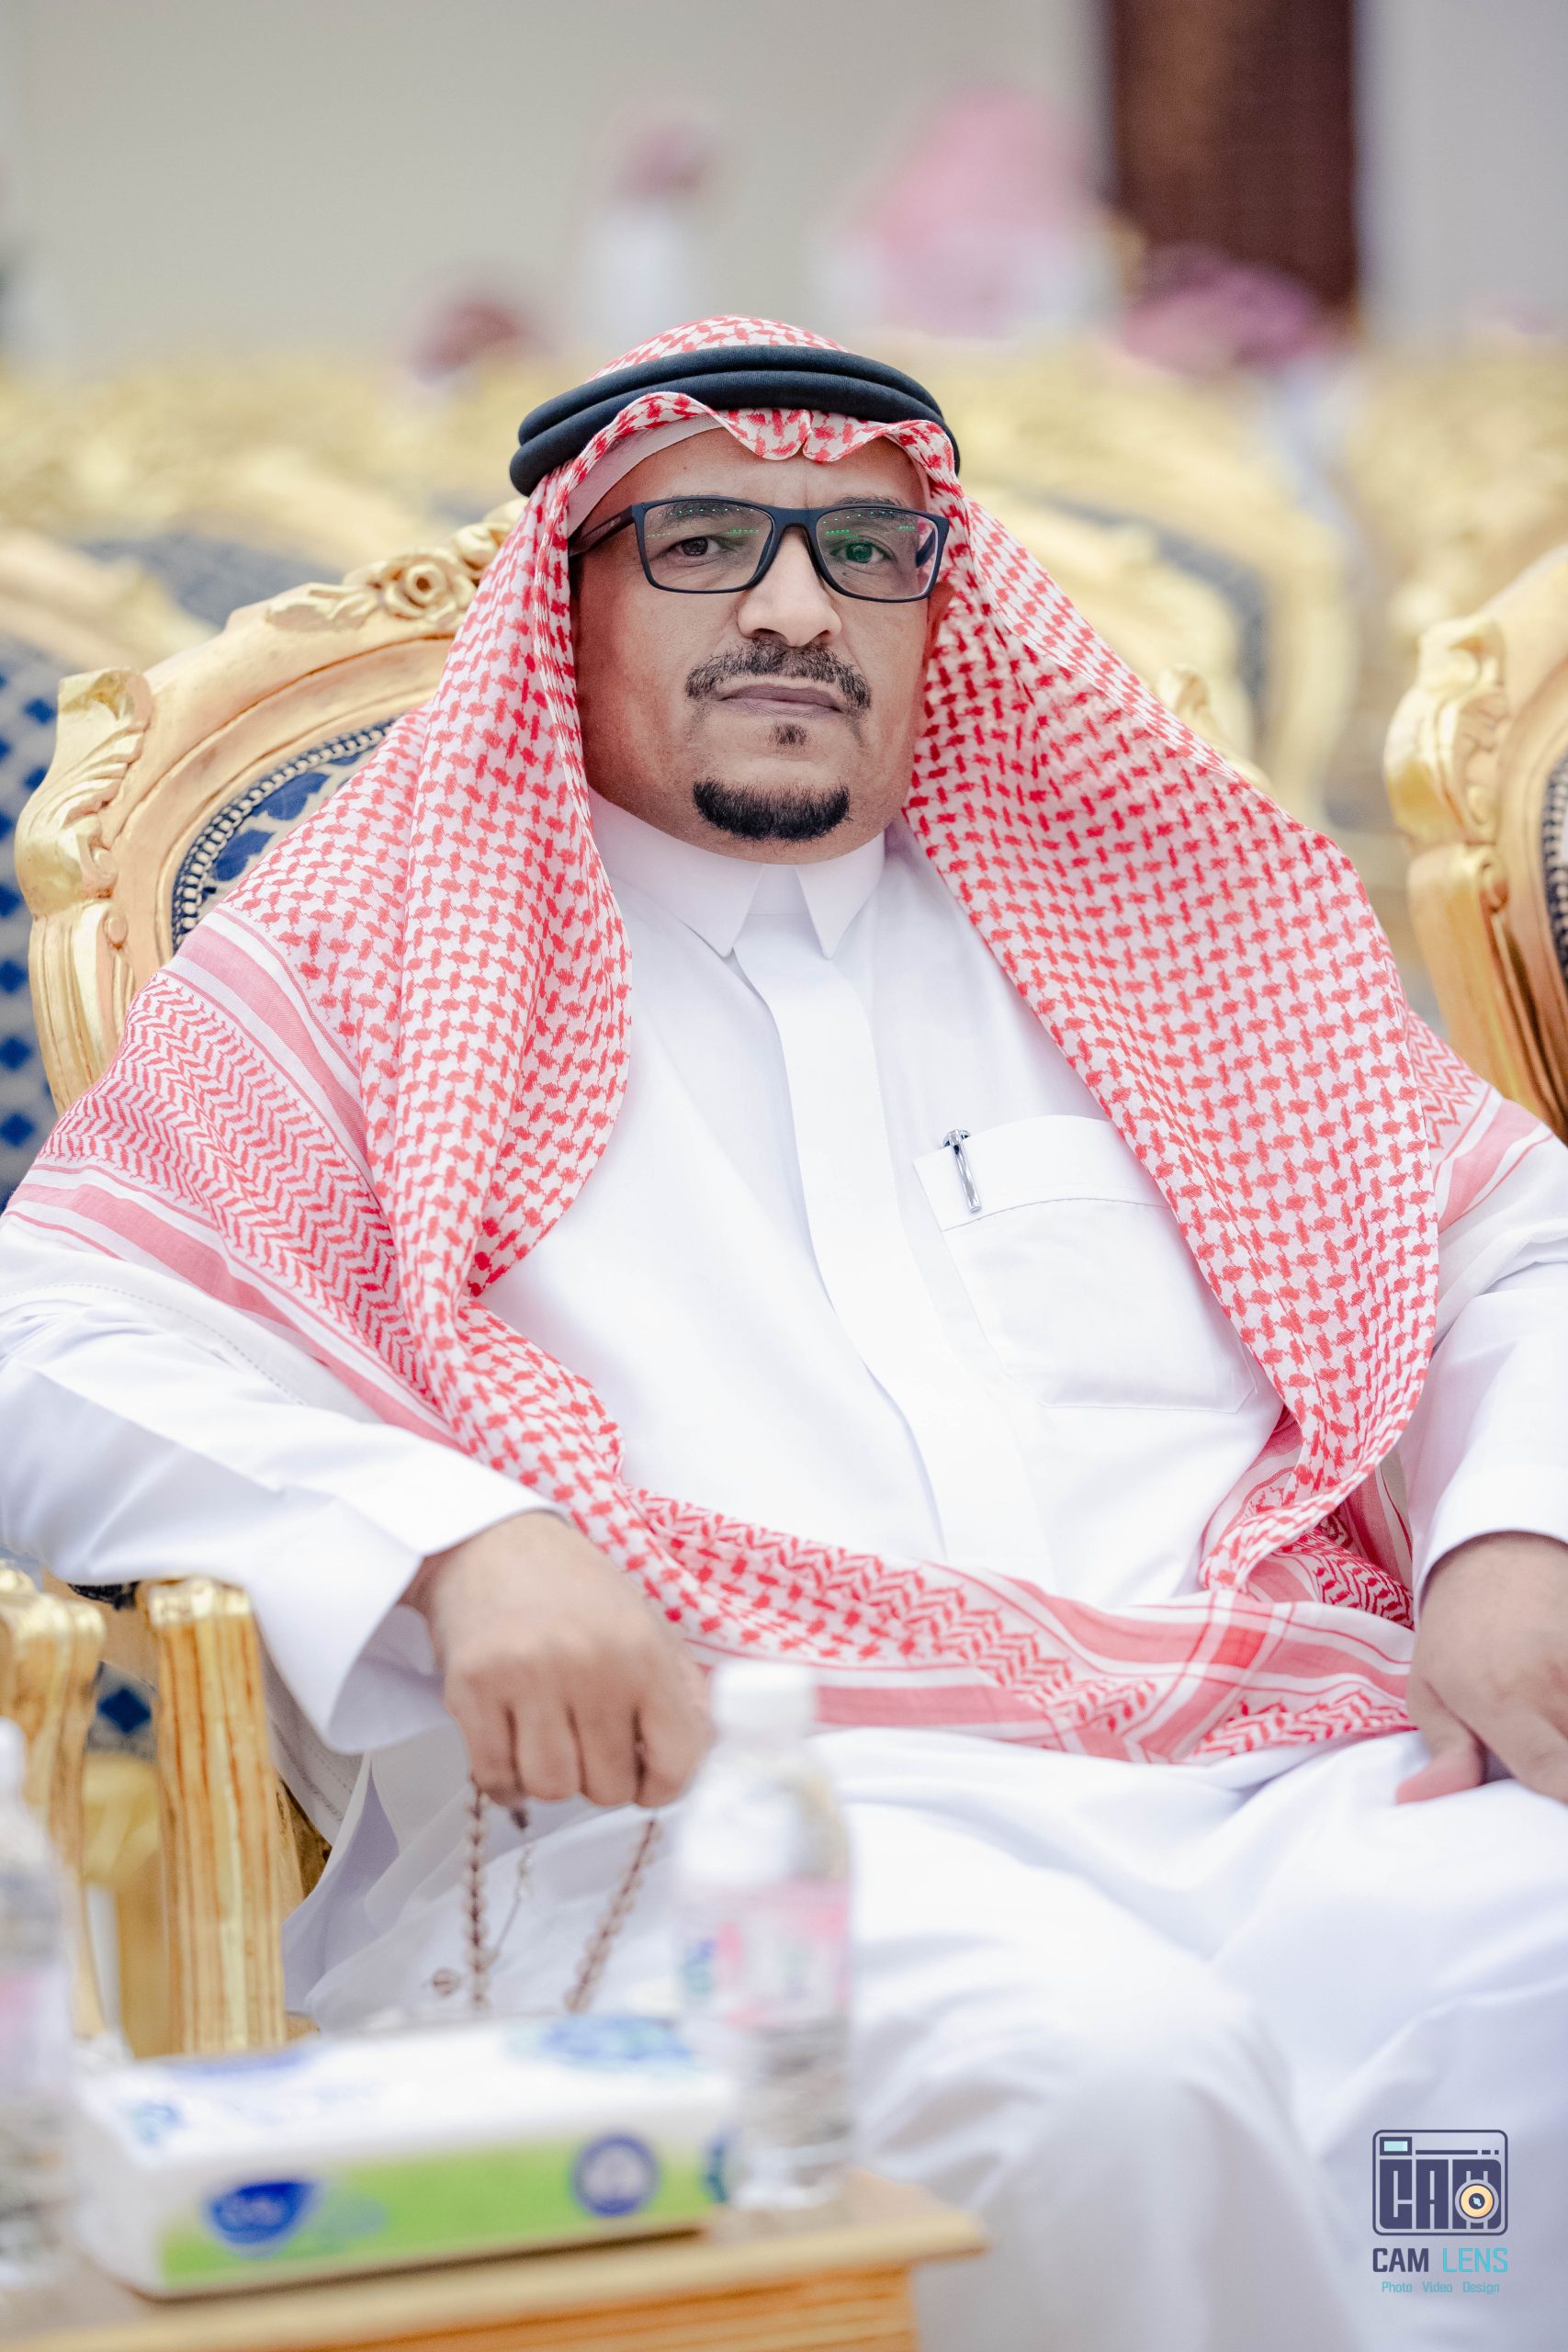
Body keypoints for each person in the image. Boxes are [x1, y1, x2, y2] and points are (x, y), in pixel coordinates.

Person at [3, 318, 1568, 2352]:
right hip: (733, 1822)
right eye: (704, 543)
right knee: (1107, 2085)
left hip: (1281, 1773)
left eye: (862, 552)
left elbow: (1504, 1242)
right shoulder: (371, 957)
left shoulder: (1166, 932)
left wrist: (1508, 1534)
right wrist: (451, 1541)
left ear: (937, 609)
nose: (793, 607)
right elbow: (55, 1331)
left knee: (1521, 1990)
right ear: (564, 594)